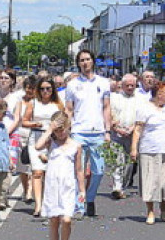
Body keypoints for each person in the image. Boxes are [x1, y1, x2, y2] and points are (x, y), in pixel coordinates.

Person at [131, 82, 165, 225]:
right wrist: (134, 148)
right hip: (149, 150)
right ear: (159, 93)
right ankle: (150, 211)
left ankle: (163, 206)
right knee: (150, 182)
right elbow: (138, 129)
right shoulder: (145, 108)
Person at [65, 49, 111, 218]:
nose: (85, 63)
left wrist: (107, 130)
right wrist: (67, 131)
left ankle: (90, 198)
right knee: (79, 172)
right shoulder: (72, 85)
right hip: (79, 132)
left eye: (88, 59)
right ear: (78, 64)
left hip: (97, 132)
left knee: (99, 171)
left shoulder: (103, 82)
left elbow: (106, 107)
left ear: (93, 61)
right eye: (82, 60)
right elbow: (69, 110)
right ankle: (79, 205)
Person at [34, 111, 85, 240]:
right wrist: (49, 130)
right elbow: (37, 146)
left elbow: (79, 170)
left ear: (68, 127)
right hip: (52, 186)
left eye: (62, 130)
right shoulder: (51, 142)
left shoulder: (76, 146)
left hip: (68, 186)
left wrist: (82, 190)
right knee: (54, 220)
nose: (60, 134)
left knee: (67, 219)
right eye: (57, 131)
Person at [22, 76, 63, 217]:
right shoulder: (33, 103)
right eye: (42, 89)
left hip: (52, 139)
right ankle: (38, 205)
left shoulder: (57, 104)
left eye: (48, 89)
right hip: (36, 137)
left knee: (49, 173)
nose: (45, 91)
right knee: (37, 172)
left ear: (53, 90)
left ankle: (47, 202)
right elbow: (24, 121)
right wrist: (34, 124)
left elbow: (64, 121)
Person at [108, 73, 141, 199]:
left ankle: (123, 185)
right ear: (122, 85)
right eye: (127, 85)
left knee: (129, 163)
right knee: (117, 161)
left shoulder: (140, 99)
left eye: (132, 85)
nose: (130, 87)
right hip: (116, 133)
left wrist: (133, 128)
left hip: (132, 134)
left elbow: (141, 117)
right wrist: (115, 128)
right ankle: (117, 187)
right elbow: (108, 114)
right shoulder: (114, 98)